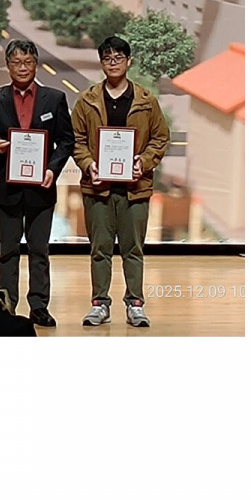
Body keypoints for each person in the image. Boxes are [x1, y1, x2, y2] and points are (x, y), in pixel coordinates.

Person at [71, 36, 170, 328]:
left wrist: (144, 162)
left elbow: (160, 138)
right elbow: (77, 140)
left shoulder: (146, 101)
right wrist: (88, 164)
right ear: (101, 63)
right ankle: (100, 304)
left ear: (129, 61)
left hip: (135, 189)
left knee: (133, 249)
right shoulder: (87, 100)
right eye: (107, 58)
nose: (112, 63)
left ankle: (135, 304)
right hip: (98, 188)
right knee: (99, 249)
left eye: (118, 58)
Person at [0, 39, 75, 328]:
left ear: (36, 64)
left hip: (41, 188)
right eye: (16, 62)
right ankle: (6, 305)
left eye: (28, 62)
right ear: (8, 65)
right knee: (7, 251)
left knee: (39, 251)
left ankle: (39, 306)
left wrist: (53, 169)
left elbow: (66, 140)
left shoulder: (54, 98)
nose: (22, 67)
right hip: (6, 188)